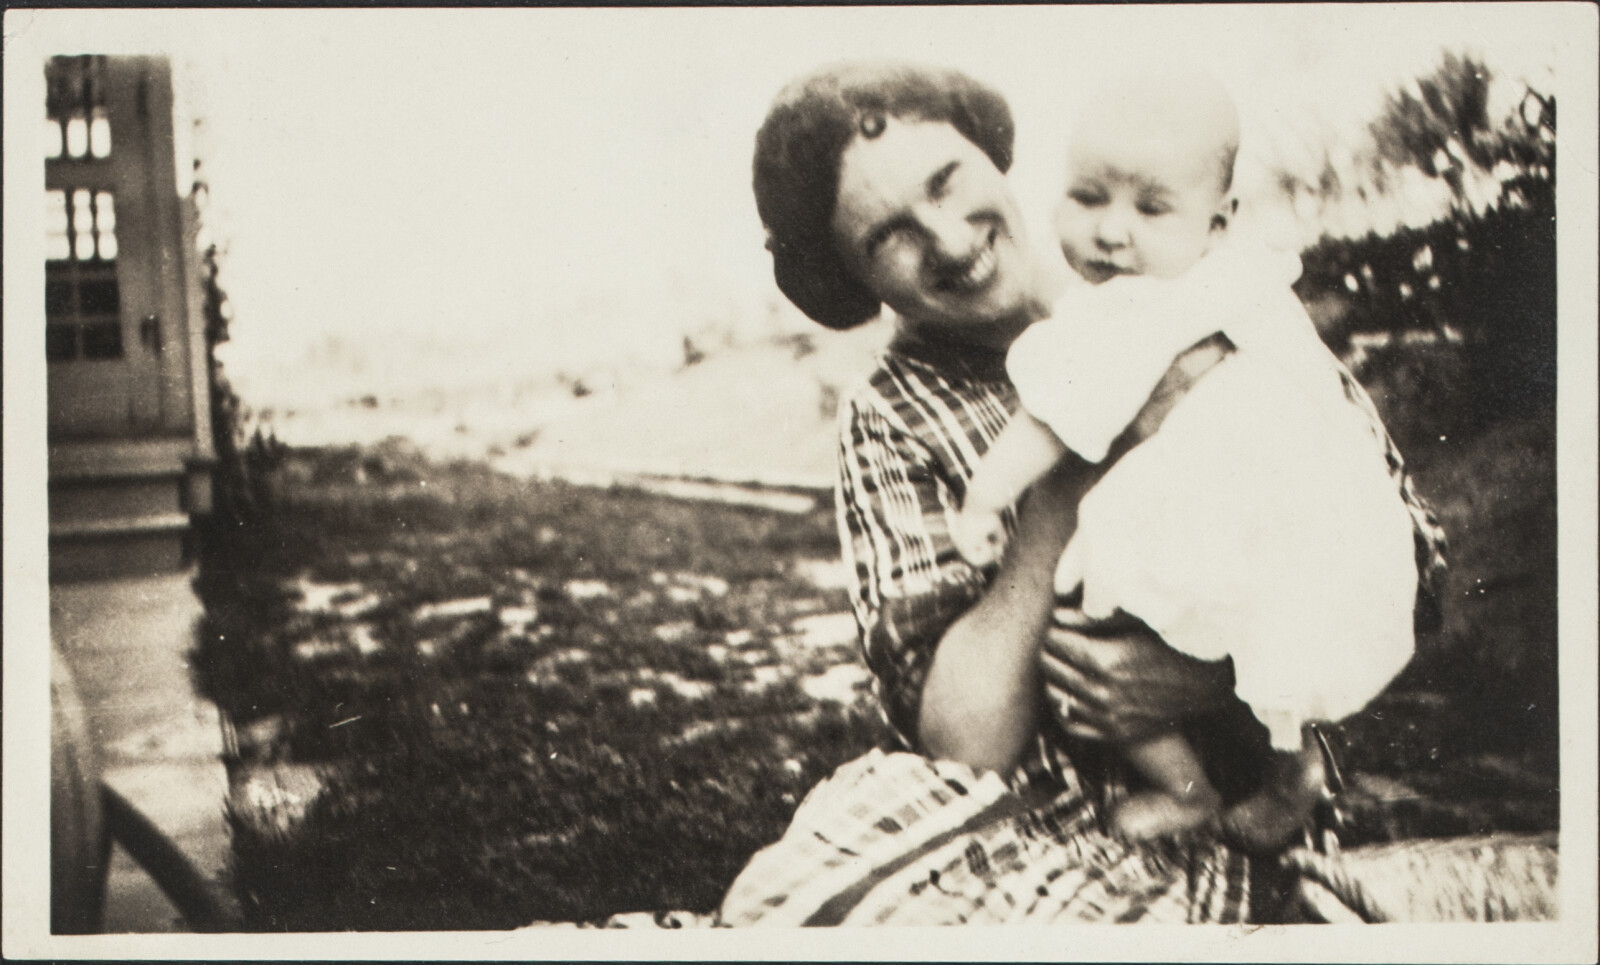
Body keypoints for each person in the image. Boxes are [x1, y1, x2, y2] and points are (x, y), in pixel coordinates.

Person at [718, 59, 1443, 927]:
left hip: (1246, 798)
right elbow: (965, 742)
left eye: (947, 182)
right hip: (1016, 808)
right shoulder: (891, 415)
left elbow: (1411, 558)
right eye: (889, 238)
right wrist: (1071, 469)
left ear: (990, 153)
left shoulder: (1201, 294)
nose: (949, 240)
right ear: (853, 280)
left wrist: (1209, 678)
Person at [951, 68, 1423, 849]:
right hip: (1292, 523)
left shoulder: (1131, 306)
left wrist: (981, 496)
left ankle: (1185, 786)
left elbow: (1050, 421)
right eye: (1089, 196)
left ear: (1217, 219)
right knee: (1264, 638)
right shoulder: (1244, 282)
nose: (1112, 231)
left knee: (1089, 617)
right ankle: (1292, 766)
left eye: (1151, 207)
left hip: (1203, 517)